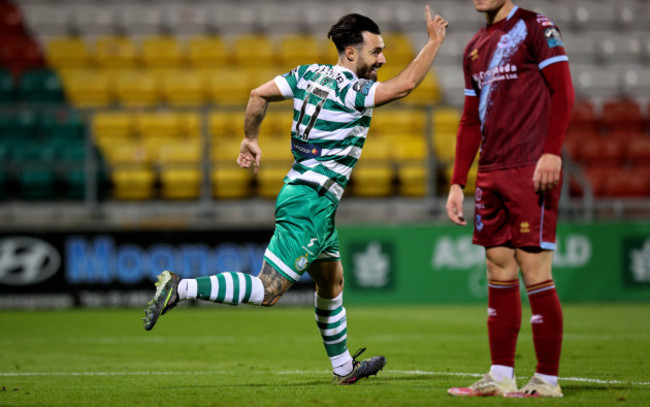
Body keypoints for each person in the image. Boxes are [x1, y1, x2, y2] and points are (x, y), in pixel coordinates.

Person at [143, 7, 449, 385]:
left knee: (331, 283)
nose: (383, 59)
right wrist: (434, 42)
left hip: (307, 195)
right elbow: (404, 86)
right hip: (311, 202)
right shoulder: (352, 89)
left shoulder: (307, 73)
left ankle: (344, 369)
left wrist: (250, 138)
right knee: (269, 290)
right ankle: (181, 287)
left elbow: (258, 95)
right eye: (376, 51)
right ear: (351, 53)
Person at [445, 0, 574, 398]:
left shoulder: (535, 26)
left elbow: (564, 90)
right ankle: (501, 375)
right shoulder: (473, 47)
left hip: (530, 166)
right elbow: (469, 120)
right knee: (497, 267)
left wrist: (552, 151)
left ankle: (547, 380)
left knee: (535, 269)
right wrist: (456, 182)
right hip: (490, 172)